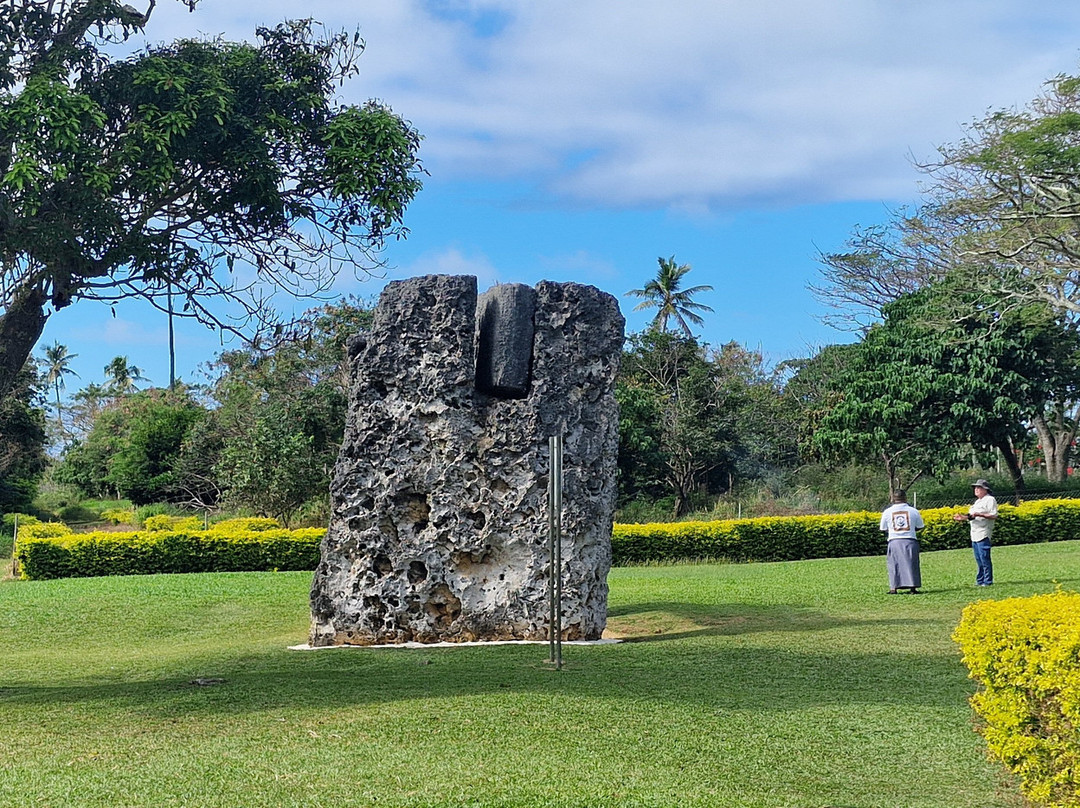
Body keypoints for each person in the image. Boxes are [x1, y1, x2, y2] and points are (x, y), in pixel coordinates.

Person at [951, 478, 998, 586]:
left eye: (979, 487)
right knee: (979, 559)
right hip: (975, 533)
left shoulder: (990, 500)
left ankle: (987, 580)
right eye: (975, 487)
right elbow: (972, 516)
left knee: (984, 558)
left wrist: (980, 515)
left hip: (983, 532)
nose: (976, 489)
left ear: (985, 489)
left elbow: (994, 515)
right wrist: (963, 517)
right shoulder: (977, 502)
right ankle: (980, 580)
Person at [880, 488, 924, 594]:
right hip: (910, 540)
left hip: (894, 540)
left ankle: (893, 588)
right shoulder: (913, 511)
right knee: (911, 563)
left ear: (893, 498)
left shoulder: (887, 512)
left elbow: (883, 528)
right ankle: (912, 587)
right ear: (905, 498)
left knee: (894, 564)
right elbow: (920, 526)